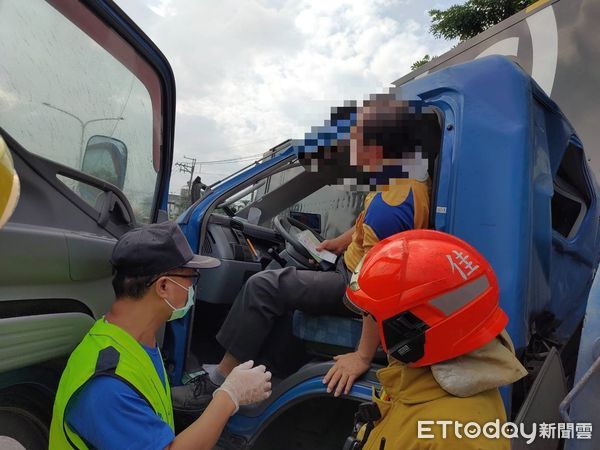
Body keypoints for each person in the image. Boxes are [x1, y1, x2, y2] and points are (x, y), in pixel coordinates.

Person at [174, 95, 440, 408]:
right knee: (284, 285)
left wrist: (362, 355)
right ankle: (272, 368)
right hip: (352, 270)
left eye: (357, 142)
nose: (352, 153)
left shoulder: (390, 206)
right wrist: (339, 243)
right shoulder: (406, 183)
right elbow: (369, 228)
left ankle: (217, 382)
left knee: (264, 285)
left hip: (355, 288)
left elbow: (378, 287)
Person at [49, 221, 272, 450]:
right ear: (163, 286)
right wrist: (230, 396)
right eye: (191, 278)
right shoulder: (107, 385)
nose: (193, 289)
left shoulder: (136, 340)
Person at [343, 230, 527, 449]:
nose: (377, 336)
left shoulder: (455, 438)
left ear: (411, 332)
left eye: (374, 317)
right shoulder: (411, 373)